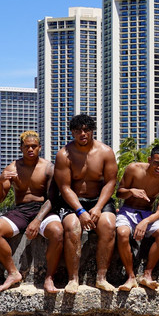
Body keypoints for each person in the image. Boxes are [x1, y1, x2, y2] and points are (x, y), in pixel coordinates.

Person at [52, 114, 118, 293]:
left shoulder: (105, 152)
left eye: (86, 130)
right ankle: (73, 279)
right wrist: (80, 211)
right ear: (72, 133)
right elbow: (65, 187)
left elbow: (111, 182)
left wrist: (97, 208)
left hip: (99, 200)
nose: (83, 134)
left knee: (109, 225)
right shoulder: (64, 154)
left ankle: (101, 278)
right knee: (73, 227)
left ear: (92, 131)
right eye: (78, 130)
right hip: (73, 201)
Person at [0, 131, 56, 291]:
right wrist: (0, 181)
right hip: (21, 210)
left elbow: (52, 199)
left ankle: (49, 277)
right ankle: (12, 273)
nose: (30, 149)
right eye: (26, 147)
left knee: (57, 232)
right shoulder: (13, 167)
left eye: (33, 146)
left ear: (39, 147)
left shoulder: (48, 167)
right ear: (21, 148)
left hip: (43, 209)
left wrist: (38, 220)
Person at [113, 146, 159, 291]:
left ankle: (147, 275)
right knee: (122, 233)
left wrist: (145, 222)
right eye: (156, 163)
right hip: (127, 211)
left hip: (148, 214)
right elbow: (119, 193)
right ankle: (131, 277)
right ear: (149, 160)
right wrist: (131, 192)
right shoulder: (133, 169)